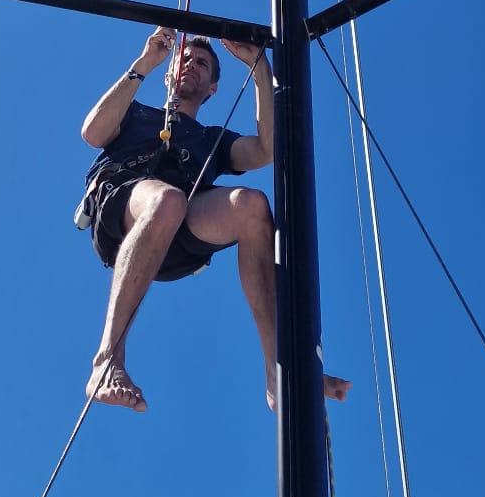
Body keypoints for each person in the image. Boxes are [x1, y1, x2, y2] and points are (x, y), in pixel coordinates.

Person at [79, 26, 351, 415]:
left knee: (252, 206)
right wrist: (146, 62)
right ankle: (107, 360)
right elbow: (93, 132)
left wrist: (260, 69)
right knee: (167, 200)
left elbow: (264, 150)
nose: (191, 64)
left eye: (202, 63)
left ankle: (278, 368)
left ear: (212, 88)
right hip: (122, 207)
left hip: (179, 233)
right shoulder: (136, 111)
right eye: (185, 59)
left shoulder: (211, 139)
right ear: (170, 73)